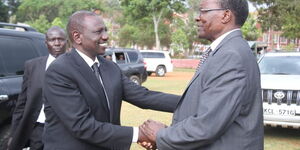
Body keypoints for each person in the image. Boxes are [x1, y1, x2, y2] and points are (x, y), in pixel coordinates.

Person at [42, 10, 179, 150]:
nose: (106, 36)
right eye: (98, 32)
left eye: (105, 31)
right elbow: (82, 126)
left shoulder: (109, 67)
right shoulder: (60, 71)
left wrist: (191, 102)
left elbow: (144, 96)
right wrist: (140, 133)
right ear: (77, 37)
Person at [140, 0, 264, 149]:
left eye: (203, 11)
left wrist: (161, 135)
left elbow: (207, 126)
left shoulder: (230, 55)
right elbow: (204, 109)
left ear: (225, 15)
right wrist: (168, 137)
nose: (197, 17)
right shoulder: (226, 51)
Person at [8, 26, 67, 150]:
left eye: (60, 39)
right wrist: (14, 134)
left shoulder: (77, 66)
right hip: (39, 130)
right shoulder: (32, 66)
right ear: (46, 43)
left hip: (66, 130)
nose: (57, 43)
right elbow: (22, 103)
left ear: (66, 42)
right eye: (52, 40)